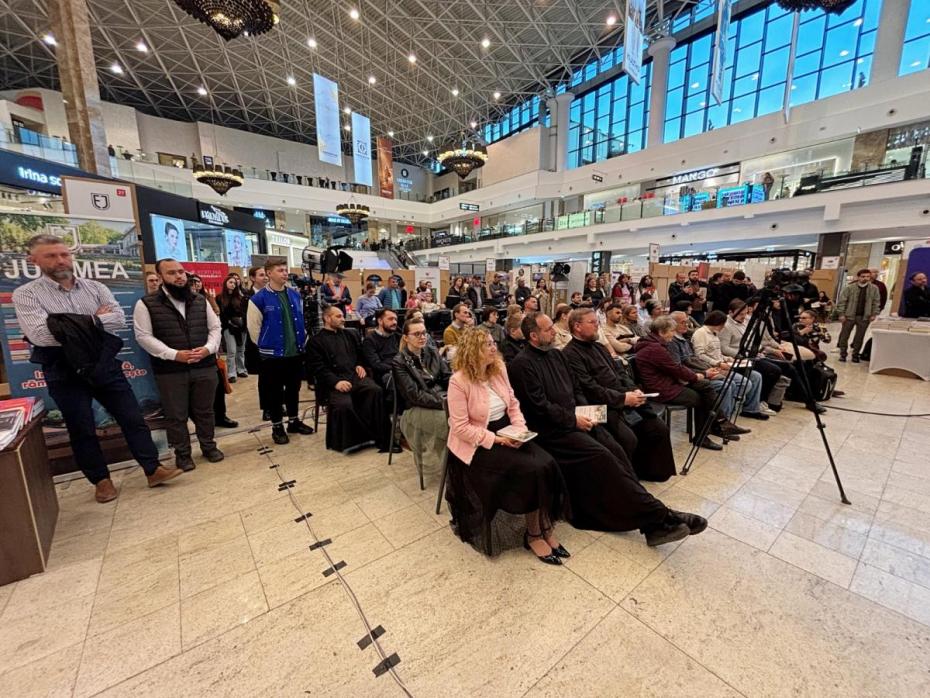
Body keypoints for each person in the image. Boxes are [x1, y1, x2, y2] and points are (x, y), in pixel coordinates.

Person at [509, 313, 706, 545]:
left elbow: (576, 389)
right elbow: (540, 407)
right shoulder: (521, 365)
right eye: (548, 329)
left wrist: (586, 412)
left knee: (617, 451)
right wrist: (574, 420)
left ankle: (654, 519)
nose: (554, 332)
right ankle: (661, 516)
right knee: (603, 456)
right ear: (533, 336)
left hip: (578, 418)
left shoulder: (556, 355)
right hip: (553, 431)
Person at [13, 235, 182, 502]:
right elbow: (41, 335)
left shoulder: (95, 287)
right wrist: (95, 320)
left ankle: (153, 468)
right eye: (51, 256)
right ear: (33, 260)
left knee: (132, 418)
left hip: (103, 363)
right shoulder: (26, 294)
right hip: (63, 368)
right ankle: (101, 480)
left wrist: (66, 325)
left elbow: (118, 319)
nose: (60, 260)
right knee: (81, 427)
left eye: (64, 254)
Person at [445, 327, 569, 563]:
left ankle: (544, 527)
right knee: (532, 470)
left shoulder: (499, 369)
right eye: (487, 344)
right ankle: (533, 534)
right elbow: (460, 427)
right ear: (473, 350)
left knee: (548, 463)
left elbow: (512, 403)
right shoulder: (458, 381)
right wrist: (498, 440)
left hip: (508, 431)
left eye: (493, 343)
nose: (494, 348)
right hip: (479, 442)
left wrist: (520, 429)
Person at [562, 308, 677, 481]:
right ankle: (628, 479)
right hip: (601, 404)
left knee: (657, 427)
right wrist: (623, 399)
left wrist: (633, 389)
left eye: (597, 322)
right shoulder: (569, 354)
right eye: (592, 322)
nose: (597, 326)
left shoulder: (599, 347)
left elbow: (620, 372)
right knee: (627, 439)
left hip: (624, 396)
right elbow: (589, 388)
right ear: (577, 326)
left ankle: (649, 471)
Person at [134, 259, 224, 471]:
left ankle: (209, 446)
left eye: (181, 272)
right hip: (170, 371)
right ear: (161, 277)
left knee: (205, 411)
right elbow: (144, 336)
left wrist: (208, 349)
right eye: (172, 273)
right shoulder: (146, 304)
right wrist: (174, 355)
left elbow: (215, 328)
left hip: (204, 366)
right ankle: (183, 454)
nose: (179, 277)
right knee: (176, 415)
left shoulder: (199, 300)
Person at [633, 315, 749, 450]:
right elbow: (676, 369)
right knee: (702, 397)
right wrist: (701, 375)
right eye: (671, 331)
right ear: (661, 332)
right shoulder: (655, 349)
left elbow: (676, 368)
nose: (673, 334)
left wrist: (701, 375)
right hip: (662, 389)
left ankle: (719, 424)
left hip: (669, 382)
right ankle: (711, 430)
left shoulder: (655, 345)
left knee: (705, 386)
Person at [306, 306, 394, 453]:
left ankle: (378, 438)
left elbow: (360, 354)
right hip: (332, 382)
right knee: (344, 405)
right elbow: (318, 368)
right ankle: (354, 442)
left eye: (343, 316)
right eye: (339, 316)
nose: (343, 319)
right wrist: (336, 382)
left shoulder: (350, 334)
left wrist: (360, 365)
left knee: (375, 390)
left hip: (354, 376)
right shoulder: (315, 342)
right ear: (327, 318)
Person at [247, 258, 314, 443]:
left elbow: (300, 319)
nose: (285, 273)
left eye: (285, 270)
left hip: (295, 352)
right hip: (272, 355)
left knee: (293, 389)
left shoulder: (294, 295)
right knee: (274, 392)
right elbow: (254, 329)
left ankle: (294, 421)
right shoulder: (258, 299)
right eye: (280, 270)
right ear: (269, 273)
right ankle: (277, 426)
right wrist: (267, 345)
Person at [719, 299, 800, 412]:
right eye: (740, 314)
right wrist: (744, 354)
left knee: (787, 366)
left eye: (745, 313)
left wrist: (760, 349)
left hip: (754, 353)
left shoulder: (745, 322)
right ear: (731, 312)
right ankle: (762, 400)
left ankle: (776, 400)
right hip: (740, 357)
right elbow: (724, 348)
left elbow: (753, 341)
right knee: (772, 370)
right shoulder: (727, 326)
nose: (743, 316)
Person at [689, 311, 771, 420]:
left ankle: (733, 409)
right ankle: (725, 414)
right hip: (711, 367)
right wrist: (718, 363)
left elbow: (716, 353)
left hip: (721, 365)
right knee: (739, 383)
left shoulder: (714, 334)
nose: (723, 327)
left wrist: (726, 358)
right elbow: (700, 355)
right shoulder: (701, 333)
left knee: (751, 379)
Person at [392, 317, 451, 466]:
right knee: (450, 423)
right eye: (417, 334)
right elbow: (414, 395)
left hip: (441, 399)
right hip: (417, 408)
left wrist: (458, 394)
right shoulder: (399, 362)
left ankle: (460, 463)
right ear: (406, 338)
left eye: (424, 333)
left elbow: (447, 377)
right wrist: (443, 403)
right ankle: (449, 465)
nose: (422, 337)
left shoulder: (432, 351)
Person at [835, 269, 880, 363]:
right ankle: (843, 354)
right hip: (849, 316)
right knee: (844, 336)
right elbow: (842, 301)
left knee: (859, 337)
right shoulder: (849, 288)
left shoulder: (874, 288)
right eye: (863, 276)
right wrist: (841, 314)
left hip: (864, 317)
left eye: (868, 276)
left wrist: (874, 313)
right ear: (858, 277)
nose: (865, 278)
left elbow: (876, 302)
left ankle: (855, 355)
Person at [218, 274, 248, 380]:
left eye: (234, 283)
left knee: (241, 350)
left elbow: (245, 312)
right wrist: (229, 322)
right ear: (225, 283)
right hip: (228, 327)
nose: (233, 284)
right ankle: (231, 373)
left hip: (241, 327)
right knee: (231, 351)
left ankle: (241, 370)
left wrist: (241, 322)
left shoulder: (240, 297)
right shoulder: (219, 298)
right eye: (230, 282)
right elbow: (220, 314)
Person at [361, 308, 401, 387]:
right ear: (380, 321)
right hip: (384, 374)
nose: (394, 322)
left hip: (400, 370)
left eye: (395, 319)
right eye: (390, 319)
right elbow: (376, 364)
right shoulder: (370, 340)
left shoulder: (397, 336)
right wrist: (397, 368)